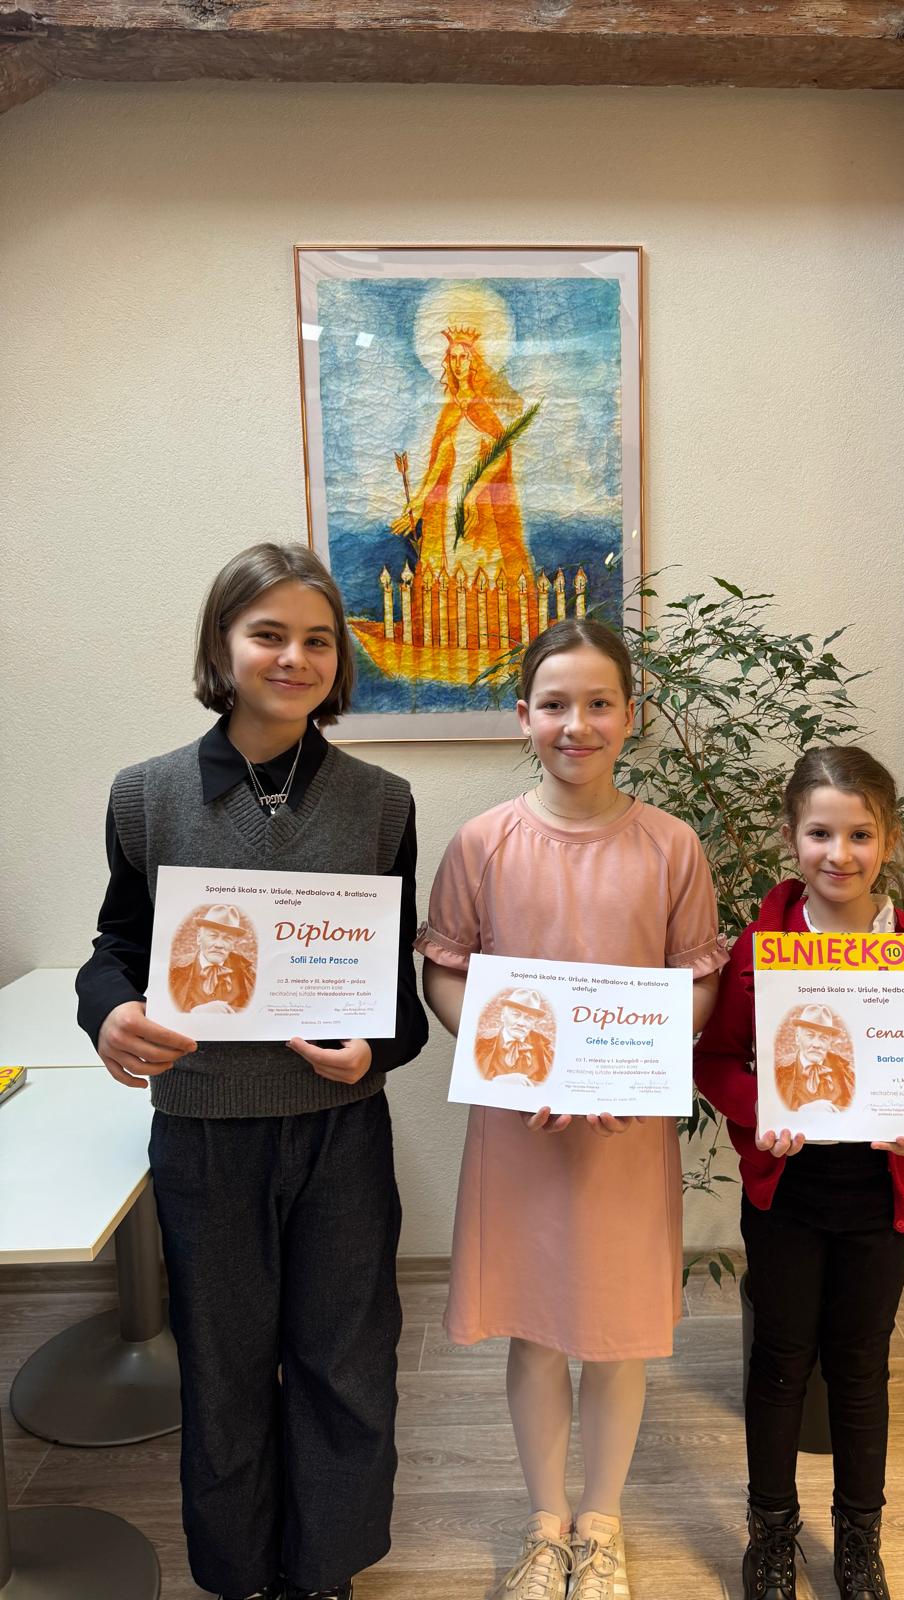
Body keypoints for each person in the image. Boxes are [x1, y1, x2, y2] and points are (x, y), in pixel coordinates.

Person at [76, 542, 428, 1600]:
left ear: (340, 660)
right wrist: (108, 1012)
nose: (294, 657)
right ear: (222, 645)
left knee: (345, 1359)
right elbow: (116, 948)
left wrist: (379, 1047)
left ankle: (325, 1569)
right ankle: (239, 1576)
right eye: (268, 633)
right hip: (204, 1129)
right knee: (224, 1369)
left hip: (338, 1131)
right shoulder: (146, 796)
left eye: (318, 639)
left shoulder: (383, 802)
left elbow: (398, 993)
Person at [417, 618, 726, 1600]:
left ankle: (602, 1523)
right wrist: (516, 1069)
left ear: (630, 715)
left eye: (598, 703)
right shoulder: (484, 842)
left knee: (619, 1331)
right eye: (554, 704)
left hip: (624, 1136)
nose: (576, 724)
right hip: (522, 1129)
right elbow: (444, 970)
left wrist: (633, 1068)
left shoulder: (671, 846)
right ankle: (545, 1522)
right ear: (524, 715)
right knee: (537, 1327)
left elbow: (699, 980)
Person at [693, 746, 904, 1600]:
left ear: (890, 841)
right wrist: (758, 1110)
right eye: (819, 833)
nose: (839, 854)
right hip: (788, 1196)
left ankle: (858, 1539)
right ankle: (771, 1532)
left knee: (861, 1366)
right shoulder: (759, 950)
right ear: (791, 837)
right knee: (779, 1361)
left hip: (878, 1200)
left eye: (859, 835)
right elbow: (715, 1060)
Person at [394, 323, 533, 589]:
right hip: (449, 499)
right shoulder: (451, 409)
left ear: (473, 362)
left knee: (478, 563)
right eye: (453, 358)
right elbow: (443, 458)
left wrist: (472, 495)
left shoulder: (481, 407)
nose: (458, 364)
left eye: (464, 357)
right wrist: (420, 500)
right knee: (448, 559)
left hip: (479, 498)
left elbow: (500, 456)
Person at [168, 903, 256, 1013]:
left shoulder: (249, 974)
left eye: (227, 938)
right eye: (213, 936)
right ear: (199, 938)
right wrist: (194, 1012)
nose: (219, 944)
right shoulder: (174, 971)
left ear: (233, 944)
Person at [774, 1003, 854, 1112]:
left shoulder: (846, 1072)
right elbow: (770, 1112)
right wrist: (800, 1111)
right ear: (797, 1038)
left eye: (823, 1038)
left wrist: (833, 1110)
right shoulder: (779, 1072)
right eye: (810, 1036)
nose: (816, 1044)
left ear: (829, 1043)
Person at [475, 988, 556, 1082]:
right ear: (503, 1016)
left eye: (529, 1018)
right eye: (516, 1015)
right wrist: (496, 1081)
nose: (521, 1023)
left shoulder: (547, 1051)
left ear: (534, 1023)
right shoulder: (479, 1044)